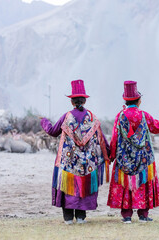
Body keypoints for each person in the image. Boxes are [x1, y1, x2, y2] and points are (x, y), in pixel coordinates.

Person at [40, 79, 110, 225]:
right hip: (87, 163)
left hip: (68, 161)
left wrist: (44, 122)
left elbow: (53, 132)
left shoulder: (67, 117)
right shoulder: (92, 117)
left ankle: (67, 218)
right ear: (84, 101)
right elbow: (101, 139)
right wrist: (109, 154)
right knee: (83, 186)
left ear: (72, 101)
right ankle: (80, 217)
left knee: (68, 186)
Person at [107, 80, 159, 223]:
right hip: (143, 158)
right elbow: (157, 127)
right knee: (142, 183)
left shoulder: (120, 116)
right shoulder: (144, 115)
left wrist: (111, 156)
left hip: (124, 158)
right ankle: (143, 215)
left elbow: (115, 137)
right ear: (139, 100)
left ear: (125, 100)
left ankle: (127, 216)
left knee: (126, 185)